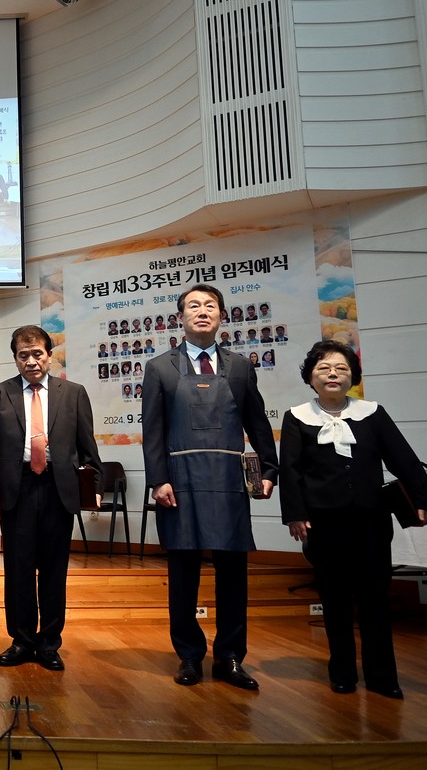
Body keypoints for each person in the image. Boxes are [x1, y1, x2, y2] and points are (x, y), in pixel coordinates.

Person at [278, 340, 427, 698]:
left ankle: (382, 677)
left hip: (371, 519)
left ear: (353, 377)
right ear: (310, 378)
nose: (333, 373)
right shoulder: (297, 416)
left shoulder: (373, 413)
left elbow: (404, 459)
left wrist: (422, 500)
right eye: (324, 368)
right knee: (334, 599)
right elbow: (291, 471)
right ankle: (342, 671)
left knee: (375, 597)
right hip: (323, 522)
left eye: (342, 368)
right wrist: (295, 514)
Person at [141, 285, 278, 690]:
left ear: (221, 316)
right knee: (183, 574)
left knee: (233, 573)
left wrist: (269, 470)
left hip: (226, 480)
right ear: (180, 318)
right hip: (178, 484)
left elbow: (257, 422)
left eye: (210, 306)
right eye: (193, 306)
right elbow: (153, 430)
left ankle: (231, 657)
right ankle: (189, 656)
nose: (202, 312)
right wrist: (157, 479)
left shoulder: (239, 366)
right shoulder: (160, 368)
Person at [0, 326, 100, 671]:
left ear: (50, 355)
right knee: (17, 570)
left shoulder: (73, 393)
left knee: (53, 570)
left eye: (37, 354)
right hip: (16, 488)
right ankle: (21, 640)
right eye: (23, 355)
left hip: (57, 489)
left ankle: (49, 642)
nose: (31, 361)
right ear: (15, 358)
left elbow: (87, 447)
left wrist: (92, 486)